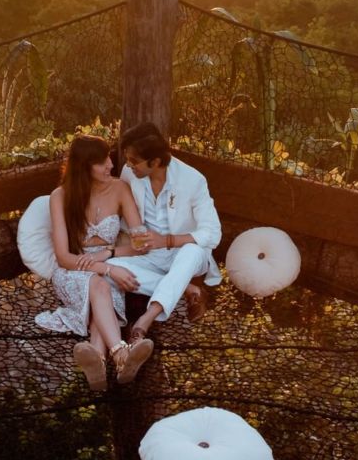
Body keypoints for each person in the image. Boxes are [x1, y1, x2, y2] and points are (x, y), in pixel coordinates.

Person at [34, 134, 154, 390]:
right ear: (84, 167)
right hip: (73, 270)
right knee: (100, 287)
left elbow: (141, 245)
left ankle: (97, 357)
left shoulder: (120, 189)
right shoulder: (60, 197)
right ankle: (121, 354)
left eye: (109, 157)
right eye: (101, 162)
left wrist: (108, 255)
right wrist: (108, 268)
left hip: (108, 266)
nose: (110, 165)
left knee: (103, 291)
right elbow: (64, 257)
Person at [107, 122, 222, 343]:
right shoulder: (130, 174)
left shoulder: (193, 180)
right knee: (107, 269)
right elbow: (123, 213)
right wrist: (134, 237)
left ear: (156, 161)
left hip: (184, 254)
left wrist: (167, 240)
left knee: (193, 251)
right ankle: (187, 289)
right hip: (147, 255)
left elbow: (212, 232)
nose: (128, 166)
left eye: (134, 161)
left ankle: (144, 322)